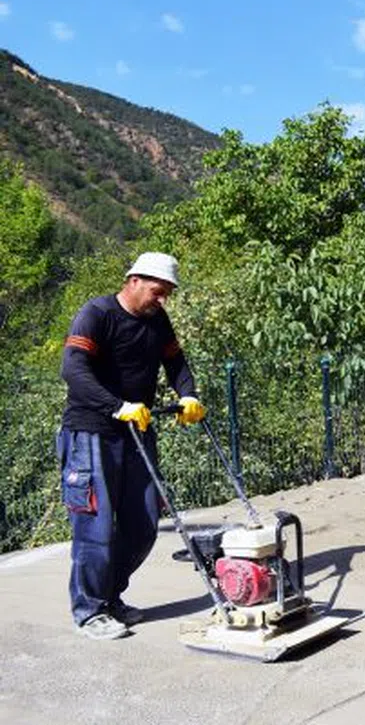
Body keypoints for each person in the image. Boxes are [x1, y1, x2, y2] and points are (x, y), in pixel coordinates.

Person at [56, 251, 207, 641]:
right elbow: (73, 368)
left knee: (142, 525)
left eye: (168, 293)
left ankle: (109, 597)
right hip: (91, 433)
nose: (163, 299)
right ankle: (89, 611)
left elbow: (176, 363)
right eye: (158, 291)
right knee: (96, 528)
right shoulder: (97, 314)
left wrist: (188, 394)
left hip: (136, 431)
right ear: (134, 280)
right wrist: (115, 405)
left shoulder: (158, 321)